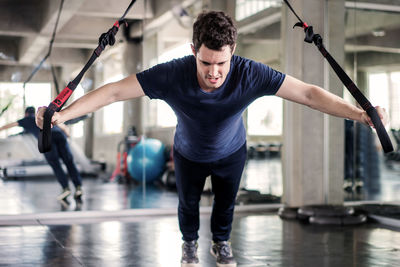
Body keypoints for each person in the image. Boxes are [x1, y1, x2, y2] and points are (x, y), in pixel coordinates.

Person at [36, 11, 387, 267]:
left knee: (225, 205)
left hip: (231, 152)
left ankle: (221, 243)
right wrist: (63, 114)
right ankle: (189, 244)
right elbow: (113, 92)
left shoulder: (251, 73)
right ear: (193, 50)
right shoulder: (172, 74)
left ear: (233, 51)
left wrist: (360, 114)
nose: (215, 72)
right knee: (188, 206)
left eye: (222, 62)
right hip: (187, 153)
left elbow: (309, 93)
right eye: (206, 62)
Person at [0, 106, 83, 203]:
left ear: (26, 113)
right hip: (60, 135)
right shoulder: (44, 116)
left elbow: (9, 125)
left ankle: (66, 188)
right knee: (69, 161)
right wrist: (67, 135)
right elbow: (62, 127)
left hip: (46, 137)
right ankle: (78, 187)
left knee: (55, 164)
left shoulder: (26, 120)